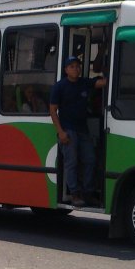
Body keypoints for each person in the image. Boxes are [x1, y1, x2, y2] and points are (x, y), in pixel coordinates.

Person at [49, 56, 106, 208]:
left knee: (90, 159)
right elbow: (53, 110)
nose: (76, 69)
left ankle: (88, 192)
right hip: (68, 130)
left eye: (78, 66)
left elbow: (101, 83)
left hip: (83, 130)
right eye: (72, 66)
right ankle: (74, 193)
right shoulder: (59, 87)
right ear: (66, 70)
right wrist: (60, 132)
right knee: (71, 162)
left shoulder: (83, 83)